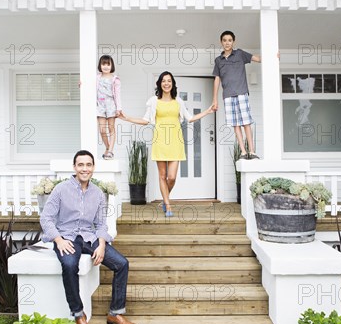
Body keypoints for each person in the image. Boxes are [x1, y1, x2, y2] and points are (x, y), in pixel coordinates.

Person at [40, 150, 137, 324]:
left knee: (121, 263)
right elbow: (46, 218)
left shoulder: (98, 193)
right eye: (81, 165)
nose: (85, 168)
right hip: (66, 237)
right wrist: (58, 240)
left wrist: (101, 245)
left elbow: (101, 224)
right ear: (75, 167)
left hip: (89, 237)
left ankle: (115, 313)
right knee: (69, 265)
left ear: (93, 168)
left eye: (88, 165)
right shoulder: (60, 189)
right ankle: (78, 315)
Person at [119, 71, 213, 217]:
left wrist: (207, 111)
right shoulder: (153, 101)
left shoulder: (179, 102)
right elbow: (146, 120)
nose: (166, 83)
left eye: (169, 81)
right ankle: (168, 206)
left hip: (176, 142)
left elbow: (190, 118)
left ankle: (164, 199)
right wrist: (127, 118)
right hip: (160, 141)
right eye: (163, 81)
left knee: (172, 177)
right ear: (160, 84)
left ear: (173, 84)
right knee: (162, 176)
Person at [211, 30, 261, 160]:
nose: (227, 43)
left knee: (246, 122)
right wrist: (215, 99)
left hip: (241, 93)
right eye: (224, 40)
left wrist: (273, 57)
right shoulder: (218, 60)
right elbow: (217, 79)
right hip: (227, 95)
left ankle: (252, 151)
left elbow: (258, 59)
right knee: (235, 124)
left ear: (233, 41)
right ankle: (243, 152)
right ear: (221, 42)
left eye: (229, 40)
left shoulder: (240, 54)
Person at [96, 55, 122, 160]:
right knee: (102, 130)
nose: (106, 67)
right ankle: (107, 147)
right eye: (103, 64)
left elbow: (118, 94)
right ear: (100, 65)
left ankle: (110, 151)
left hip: (111, 105)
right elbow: (88, 85)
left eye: (108, 64)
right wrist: (81, 84)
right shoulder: (97, 77)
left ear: (111, 66)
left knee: (111, 128)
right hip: (100, 105)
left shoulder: (115, 79)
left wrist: (119, 108)